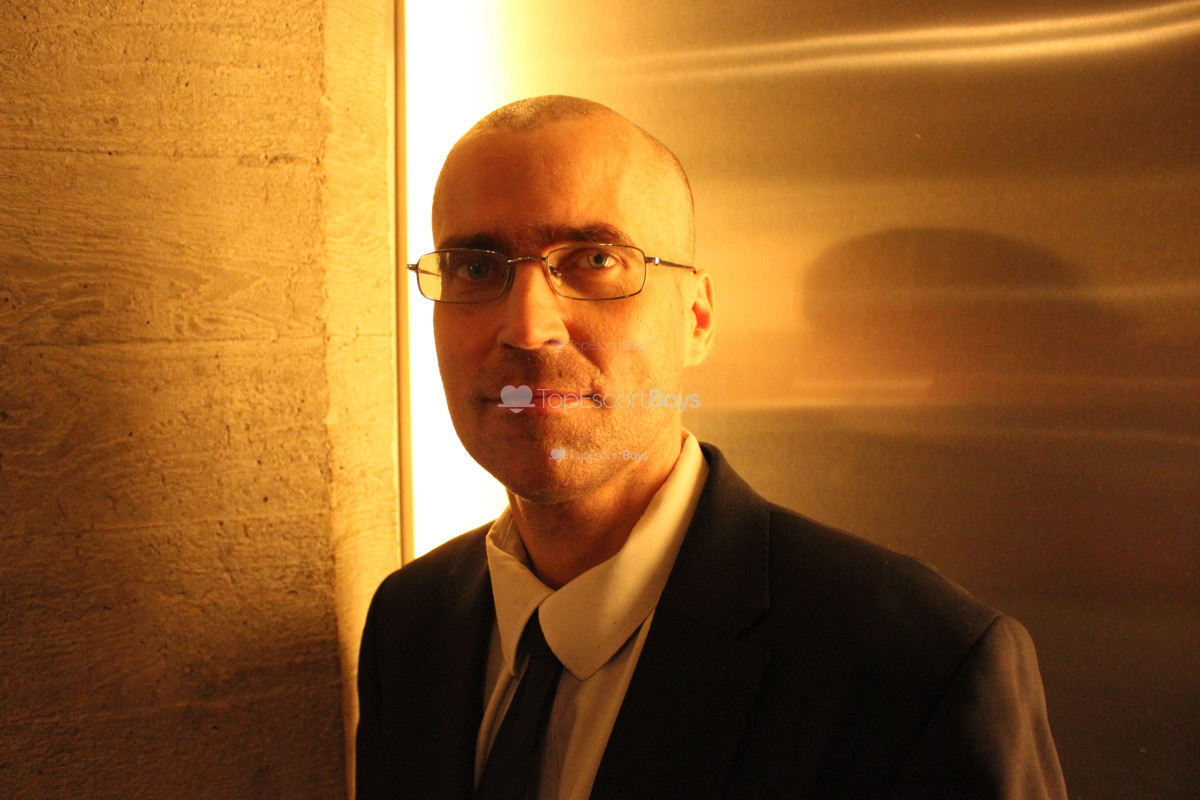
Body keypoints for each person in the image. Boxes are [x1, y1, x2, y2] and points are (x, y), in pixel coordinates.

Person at [356, 95, 1067, 800]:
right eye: (476, 268)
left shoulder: (919, 672)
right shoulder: (410, 625)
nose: (528, 325)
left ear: (696, 318)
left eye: (594, 259)